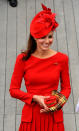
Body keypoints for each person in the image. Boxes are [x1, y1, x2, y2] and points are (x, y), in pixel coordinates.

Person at [9, 3, 71, 131]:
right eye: (43, 37)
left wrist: (58, 104)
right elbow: (13, 90)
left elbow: (66, 88)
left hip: (53, 116)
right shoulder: (22, 59)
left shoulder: (62, 59)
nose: (47, 41)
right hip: (31, 118)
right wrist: (34, 98)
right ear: (34, 36)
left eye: (50, 36)